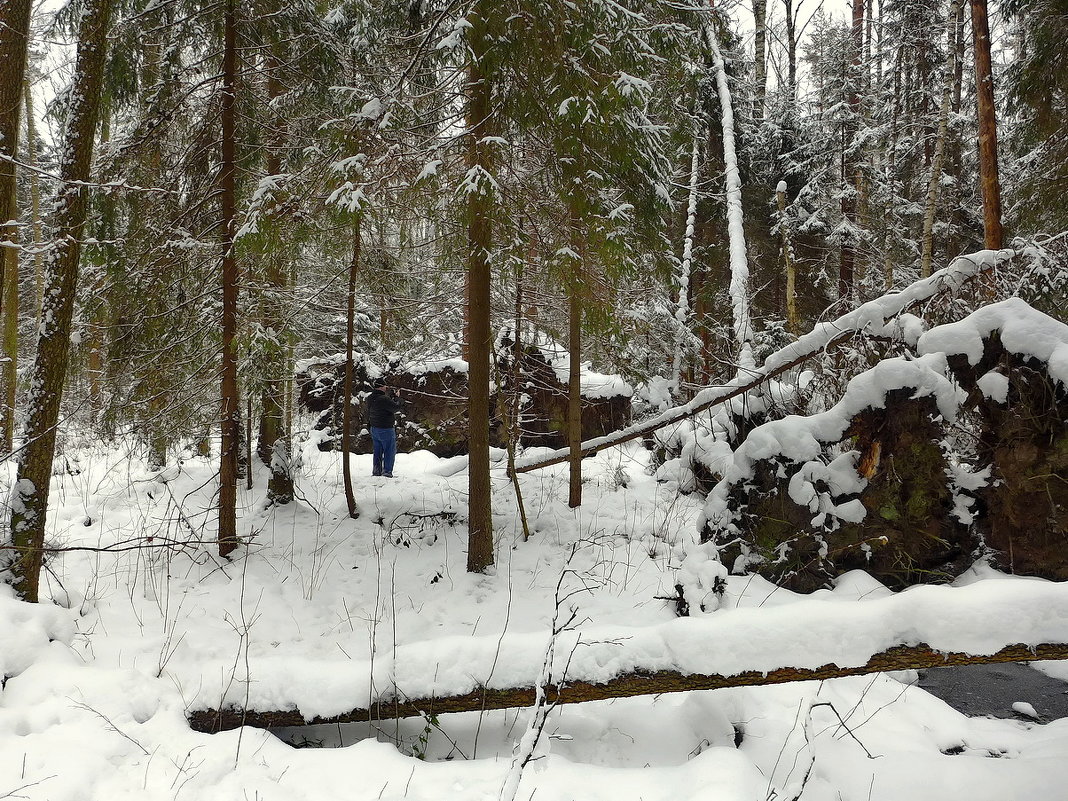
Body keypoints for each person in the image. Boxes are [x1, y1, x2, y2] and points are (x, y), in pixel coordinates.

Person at [367, 377, 402, 478]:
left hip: (374, 428)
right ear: (382, 387)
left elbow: (385, 405)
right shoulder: (384, 399)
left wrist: (392, 397)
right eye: (385, 386)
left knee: (377, 451)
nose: (386, 387)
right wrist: (397, 398)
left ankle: (376, 471)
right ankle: (387, 472)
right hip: (386, 429)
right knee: (389, 451)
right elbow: (396, 408)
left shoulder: (370, 398)